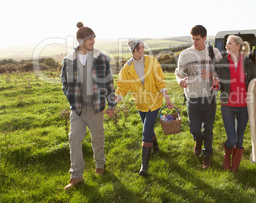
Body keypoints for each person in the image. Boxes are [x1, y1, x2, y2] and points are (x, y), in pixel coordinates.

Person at [60, 22, 116, 191]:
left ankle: (100, 165)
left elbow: (109, 83)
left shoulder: (102, 58)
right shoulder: (68, 60)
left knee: (97, 138)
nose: (93, 41)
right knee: (74, 139)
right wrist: (70, 96)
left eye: (94, 38)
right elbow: (63, 82)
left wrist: (111, 104)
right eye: (90, 38)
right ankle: (76, 176)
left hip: (95, 107)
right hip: (77, 108)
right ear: (81, 41)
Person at [115, 39, 174, 176]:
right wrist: (116, 99)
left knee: (146, 131)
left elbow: (160, 81)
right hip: (140, 104)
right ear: (133, 50)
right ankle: (156, 146)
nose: (142, 50)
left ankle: (144, 166)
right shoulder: (127, 68)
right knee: (148, 128)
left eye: (143, 47)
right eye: (139, 48)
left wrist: (167, 98)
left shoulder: (152, 62)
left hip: (154, 103)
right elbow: (122, 87)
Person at [175, 25, 221, 169]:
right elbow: (179, 73)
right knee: (194, 128)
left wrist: (213, 76)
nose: (194, 42)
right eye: (193, 39)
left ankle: (207, 155)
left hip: (209, 97)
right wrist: (179, 81)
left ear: (205, 38)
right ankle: (198, 140)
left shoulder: (214, 52)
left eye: (197, 39)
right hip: (192, 97)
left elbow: (223, 72)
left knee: (208, 129)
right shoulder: (185, 54)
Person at [215, 35, 256, 173]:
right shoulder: (222, 62)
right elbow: (218, 84)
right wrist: (215, 84)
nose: (226, 46)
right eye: (226, 44)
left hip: (244, 106)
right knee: (232, 139)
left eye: (229, 43)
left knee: (240, 139)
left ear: (237, 46)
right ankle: (226, 157)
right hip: (227, 105)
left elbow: (253, 81)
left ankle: (235, 165)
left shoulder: (248, 62)